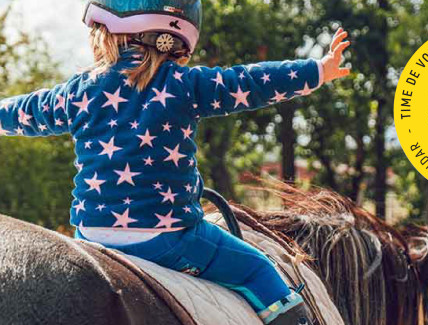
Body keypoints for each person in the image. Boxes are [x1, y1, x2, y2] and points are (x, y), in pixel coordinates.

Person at [0, 1, 350, 324]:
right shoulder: (185, 84)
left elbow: (25, 111)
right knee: (259, 271)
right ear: (172, 38)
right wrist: (318, 70)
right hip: (167, 238)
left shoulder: (77, 91)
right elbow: (250, 81)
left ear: (106, 35)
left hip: (90, 235)